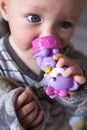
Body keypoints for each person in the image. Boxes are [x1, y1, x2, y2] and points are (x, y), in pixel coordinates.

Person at [0, 0, 87, 130]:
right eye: (34, 18)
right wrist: (9, 117)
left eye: (65, 24)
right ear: (5, 9)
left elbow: (80, 112)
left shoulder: (72, 62)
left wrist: (76, 91)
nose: (48, 35)